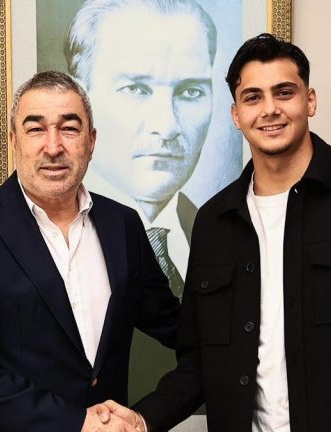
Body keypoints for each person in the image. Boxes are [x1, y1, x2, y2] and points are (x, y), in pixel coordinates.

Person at [95, 34, 331, 432]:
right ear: (236, 114)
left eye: (284, 92)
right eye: (253, 97)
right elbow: (200, 362)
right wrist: (143, 419)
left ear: (310, 101)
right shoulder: (213, 222)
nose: (270, 109)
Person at [0, 70, 180, 431]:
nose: (53, 146)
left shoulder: (122, 224)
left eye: (69, 128)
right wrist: (75, 422)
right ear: (14, 141)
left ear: (91, 141)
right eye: (35, 129)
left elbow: (175, 325)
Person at [65, 0, 219, 298]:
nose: (168, 126)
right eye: (135, 89)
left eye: (190, 91)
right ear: (79, 100)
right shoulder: (38, 240)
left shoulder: (221, 234)